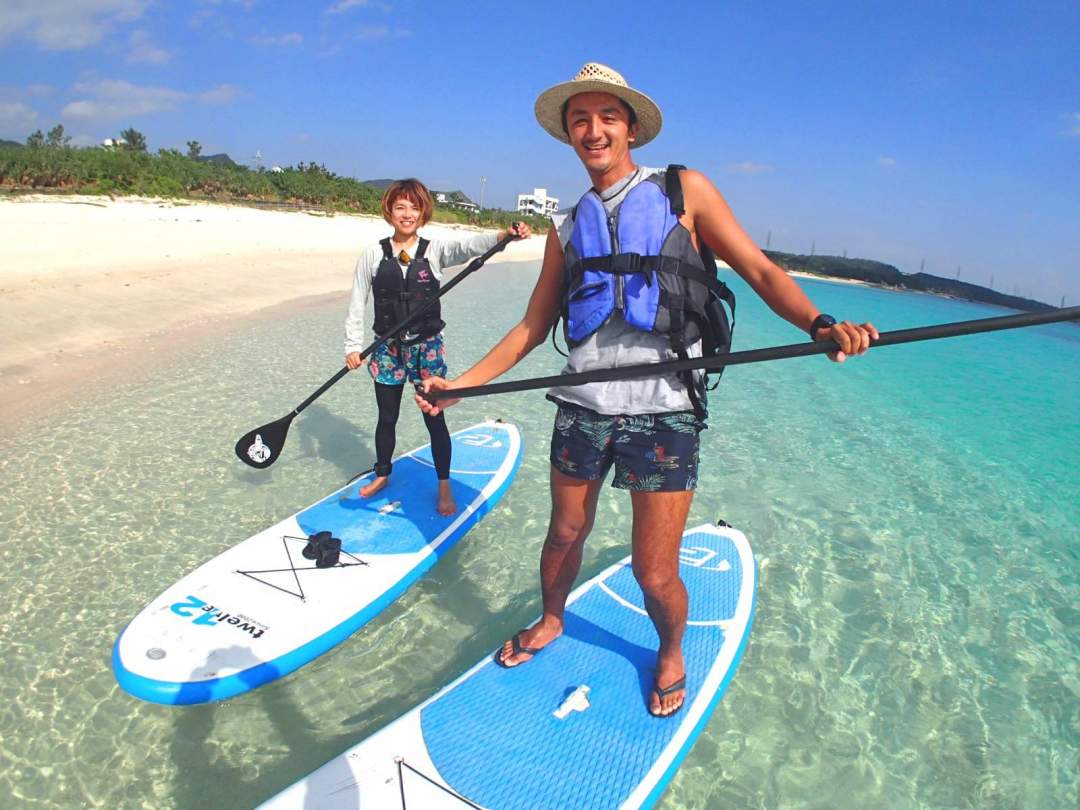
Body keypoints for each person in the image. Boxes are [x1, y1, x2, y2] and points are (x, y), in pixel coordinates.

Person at [417, 64, 877, 715]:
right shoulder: (567, 224)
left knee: (654, 571)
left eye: (608, 116)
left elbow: (760, 270)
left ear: (631, 128)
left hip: (663, 415)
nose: (593, 129)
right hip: (583, 409)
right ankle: (552, 620)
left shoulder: (683, 190)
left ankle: (669, 651)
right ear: (568, 134)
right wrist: (460, 383)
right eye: (580, 119)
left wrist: (820, 323)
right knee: (563, 535)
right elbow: (531, 327)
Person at [344, 178, 530, 515]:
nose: (407, 213)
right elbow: (358, 301)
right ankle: (382, 473)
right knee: (387, 417)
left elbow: (471, 247)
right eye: (400, 207)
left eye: (414, 207)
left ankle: (444, 486)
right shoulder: (372, 254)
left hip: (426, 349)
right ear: (389, 211)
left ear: (423, 212)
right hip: (387, 349)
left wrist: (504, 236)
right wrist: (352, 346)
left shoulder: (435, 250)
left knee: (435, 419)